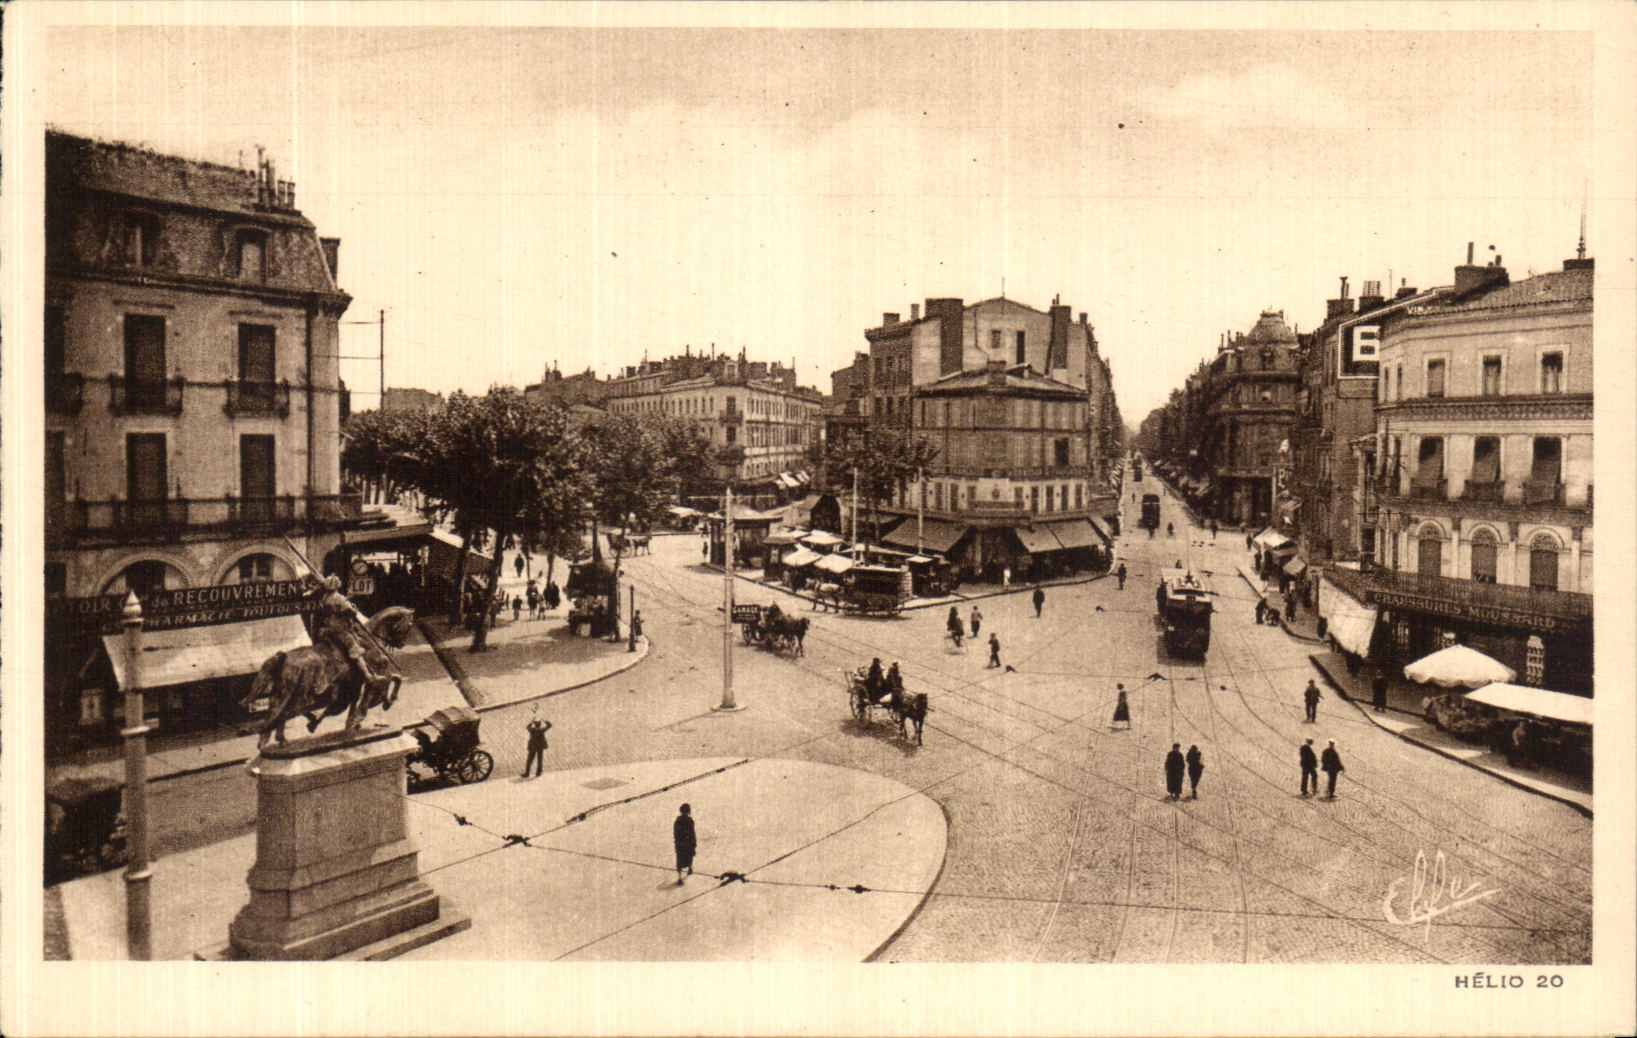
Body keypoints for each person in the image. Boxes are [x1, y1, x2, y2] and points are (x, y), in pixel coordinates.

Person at [673, 803, 697, 884]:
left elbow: (676, 834)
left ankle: (680, 876)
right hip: (687, 843)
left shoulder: (678, 821)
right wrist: (693, 843)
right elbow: (692, 833)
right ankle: (689, 869)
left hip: (681, 844)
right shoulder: (689, 821)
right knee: (689, 856)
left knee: (680, 859)